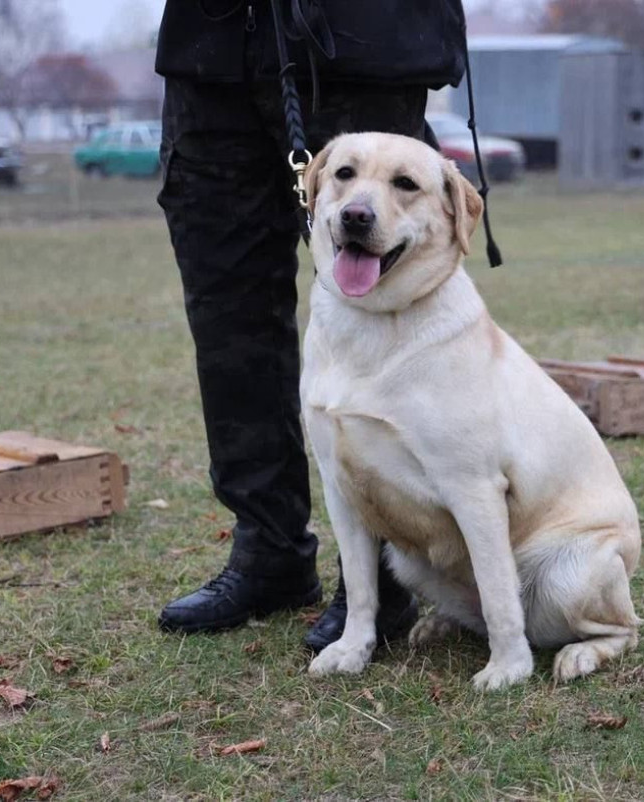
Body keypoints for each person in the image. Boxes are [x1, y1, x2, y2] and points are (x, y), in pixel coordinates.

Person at [154, 0, 469, 652]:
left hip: (363, 40)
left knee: (389, 316)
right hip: (212, 51)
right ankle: (267, 549)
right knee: (228, 313)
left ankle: (388, 577)